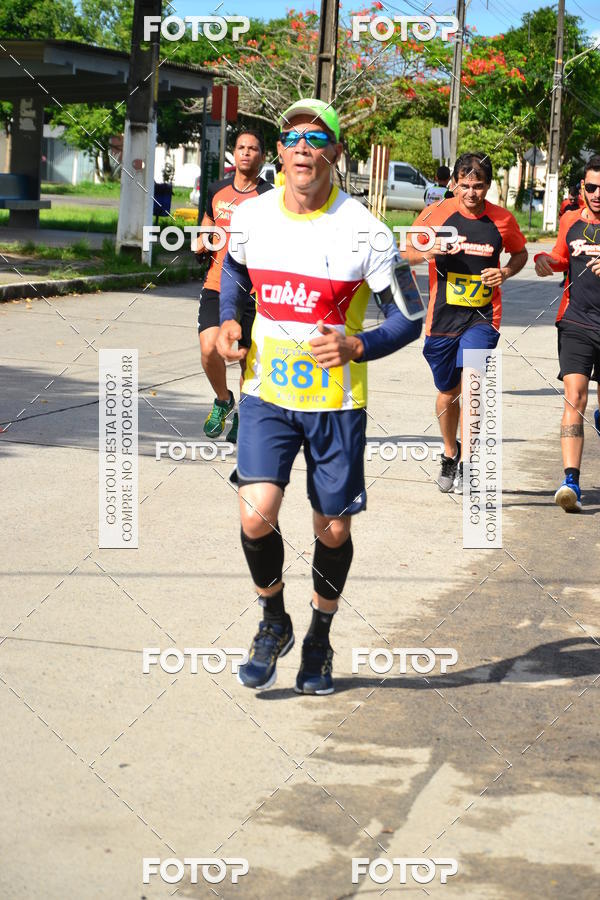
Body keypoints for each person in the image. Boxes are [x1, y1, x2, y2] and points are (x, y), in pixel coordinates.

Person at [216, 98, 422, 694]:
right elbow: (234, 270)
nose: (302, 146)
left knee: (331, 530)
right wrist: (230, 318)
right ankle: (273, 619)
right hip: (266, 393)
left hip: (336, 405)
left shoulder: (367, 231)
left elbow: (409, 317)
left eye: (316, 137)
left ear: (335, 152)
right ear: (279, 153)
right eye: (291, 137)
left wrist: (358, 345)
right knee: (255, 512)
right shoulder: (253, 216)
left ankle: (319, 637)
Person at [402, 151, 528, 493]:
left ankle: (469, 465)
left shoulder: (502, 220)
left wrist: (505, 272)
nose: (471, 193)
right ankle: (450, 452)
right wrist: (427, 252)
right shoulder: (437, 213)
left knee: (472, 385)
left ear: (488, 186)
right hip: (442, 318)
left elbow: (520, 253)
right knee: (448, 394)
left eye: (479, 186)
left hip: (483, 317)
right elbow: (405, 250)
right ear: (454, 184)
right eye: (465, 186)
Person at [195, 130, 272, 441]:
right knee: (208, 349)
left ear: (262, 156)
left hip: (254, 291)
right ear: (234, 153)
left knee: (246, 360)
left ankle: (244, 414)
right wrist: (202, 240)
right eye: (241, 147)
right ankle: (223, 400)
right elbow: (207, 222)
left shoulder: (270, 197)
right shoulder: (217, 190)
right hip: (217, 283)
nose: (246, 153)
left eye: (253, 148)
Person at [533, 154, 600, 512]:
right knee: (575, 397)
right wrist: (544, 260)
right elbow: (561, 257)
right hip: (576, 321)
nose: (597, 194)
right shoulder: (570, 220)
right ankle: (570, 481)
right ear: (583, 188)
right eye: (592, 187)